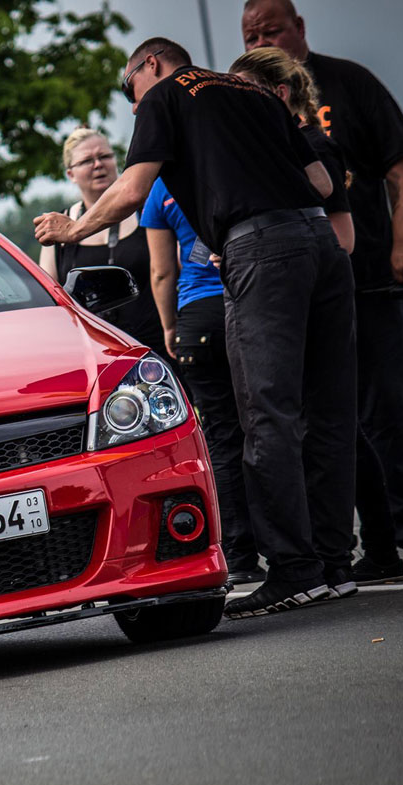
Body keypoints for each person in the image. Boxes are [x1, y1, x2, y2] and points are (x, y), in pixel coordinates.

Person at [35, 37, 356, 619]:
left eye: (129, 86)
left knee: (266, 414)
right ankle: (335, 564)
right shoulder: (251, 92)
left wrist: (72, 231)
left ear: (151, 65)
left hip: (262, 251)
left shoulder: (165, 96)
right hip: (321, 245)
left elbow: (132, 189)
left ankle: (294, 570)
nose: (133, 106)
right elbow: (322, 184)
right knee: (328, 411)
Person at [242, 0, 403, 565]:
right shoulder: (249, 108)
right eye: (252, 34)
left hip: (370, 270)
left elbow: (402, 163)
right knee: (336, 417)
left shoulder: (348, 82)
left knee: (395, 401)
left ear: (300, 28)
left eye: (272, 29)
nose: (263, 40)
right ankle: (366, 538)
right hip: (307, 286)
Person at [230, 46, 403, 587]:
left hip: (313, 295)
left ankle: (345, 552)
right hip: (311, 291)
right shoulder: (284, 146)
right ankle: (345, 554)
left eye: (244, 94)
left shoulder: (310, 144)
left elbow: (343, 237)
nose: (236, 107)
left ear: (278, 94)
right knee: (327, 426)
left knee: (323, 427)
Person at [142, 178, 262, 586]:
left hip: (198, 314)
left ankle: (242, 554)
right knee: (267, 424)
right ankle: (295, 544)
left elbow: (162, 272)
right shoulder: (224, 162)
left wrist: (169, 327)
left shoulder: (160, 187)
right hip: (247, 297)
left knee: (223, 438)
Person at [40, 129, 170, 365]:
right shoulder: (58, 227)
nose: (98, 165)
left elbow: (170, 270)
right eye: (87, 161)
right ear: (70, 173)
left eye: (105, 157)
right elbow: (50, 297)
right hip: (92, 353)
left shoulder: (147, 211)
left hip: (154, 344)